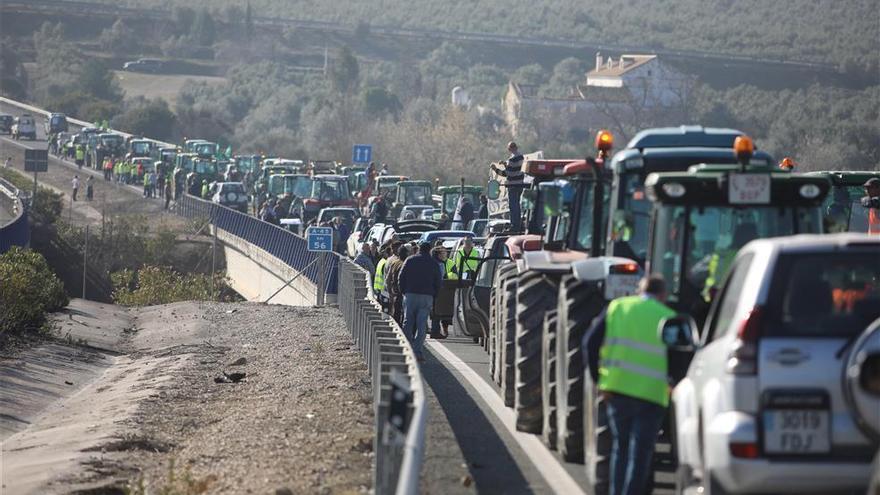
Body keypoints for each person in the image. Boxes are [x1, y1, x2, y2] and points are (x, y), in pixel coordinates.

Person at [581, 274, 675, 495]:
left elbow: (589, 342)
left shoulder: (617, 308)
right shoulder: (669, 317)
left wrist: (599, 379)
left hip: (616, 391)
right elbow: (679, 358)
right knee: (641, 454)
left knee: (620, 449)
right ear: (663, 295)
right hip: (652, 396)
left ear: (639, 291)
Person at [399, 241, 442, 362]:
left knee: (408, 322)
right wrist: (435, 295)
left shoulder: (410, 260)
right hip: (426, 296)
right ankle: (417, 351)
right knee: (422, 325)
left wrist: (403, 291)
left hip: (410, 295)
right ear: (429, 250)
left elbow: (401, 277)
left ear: (418, 249)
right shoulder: (434, 263)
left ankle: (406, 349)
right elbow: (438, 281)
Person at [701, 222, 758, 301]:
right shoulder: (759, 258)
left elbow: (696, 273)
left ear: (735, 237)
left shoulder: (720, 255)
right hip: (745, 301)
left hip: (713, 301)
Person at [489, 141, 525, 231]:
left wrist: (495, 169)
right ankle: (518, 224)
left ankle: (515, 226)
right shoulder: (521, 157)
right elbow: (515, 170)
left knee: (513, 207)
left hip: (513, 185)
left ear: (509, 149)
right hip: (520, 184)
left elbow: (506, 173)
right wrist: (505, 164)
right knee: (517, 206)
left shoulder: (512, 159)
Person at [430, 245, 453, 339]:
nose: (445, 254)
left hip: (430, 289)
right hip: (437, 290)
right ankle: (435, 331)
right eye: (443, 253)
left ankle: (434, 330)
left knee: (434, 311)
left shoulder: (432, 262)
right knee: (437, 311)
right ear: (438, 254)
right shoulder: (440, 264)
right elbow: (440, 278)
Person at [385, 244, 409, 324]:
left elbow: (388, 279)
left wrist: (390, 293)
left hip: (395, 293)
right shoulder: (405, 264)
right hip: (403, 294)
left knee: (396, 316)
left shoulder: (395, 263)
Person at [374, 246, 390, 311]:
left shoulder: (381, 261)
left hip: (379, 287)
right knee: (385, 310)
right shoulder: (385, 263)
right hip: (384, 289)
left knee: (381, 309)